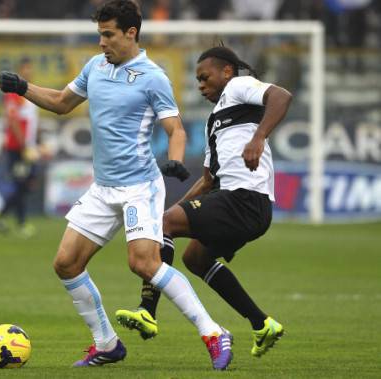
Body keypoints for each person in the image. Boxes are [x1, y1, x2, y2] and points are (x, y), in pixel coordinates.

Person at [0, 0, 233, 370]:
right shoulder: (95, 67)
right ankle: (106, 343)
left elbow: (175, 129)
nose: (102, 42)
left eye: (108, 35)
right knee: (66, 263)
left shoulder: (153, 76)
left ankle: (213, 331)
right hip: (103, 188)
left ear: (131, 33)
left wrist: (174, 157)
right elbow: (62, 103)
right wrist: (23, 87)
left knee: (144, 264)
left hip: (139, 187)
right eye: (99, 34)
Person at [116, 45, 292, 358]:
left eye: (204, 77)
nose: (200, 85)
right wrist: (170, 211)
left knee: (165, 225)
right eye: (196, 80)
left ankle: (147, 310)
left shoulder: (239, 87)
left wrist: (259, 136)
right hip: (242, 206)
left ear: (226, 71)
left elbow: (281, 96)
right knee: (194, 258)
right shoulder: (214, 123)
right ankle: (262, 324)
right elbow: (208, 181)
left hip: (245, 199)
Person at [0, 57, 39, 238]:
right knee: (21, 184)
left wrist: (37, 142)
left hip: (27, 147)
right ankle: (15, 220)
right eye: (25, 68)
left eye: (30, 68)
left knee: (25, 184)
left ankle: (5, 217)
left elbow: (32, 122)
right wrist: (24, 145)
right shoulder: (15, 93)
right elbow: (13, 120)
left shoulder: (30, 92)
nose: (28, 72)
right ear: (20, 70)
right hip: (17, 148)